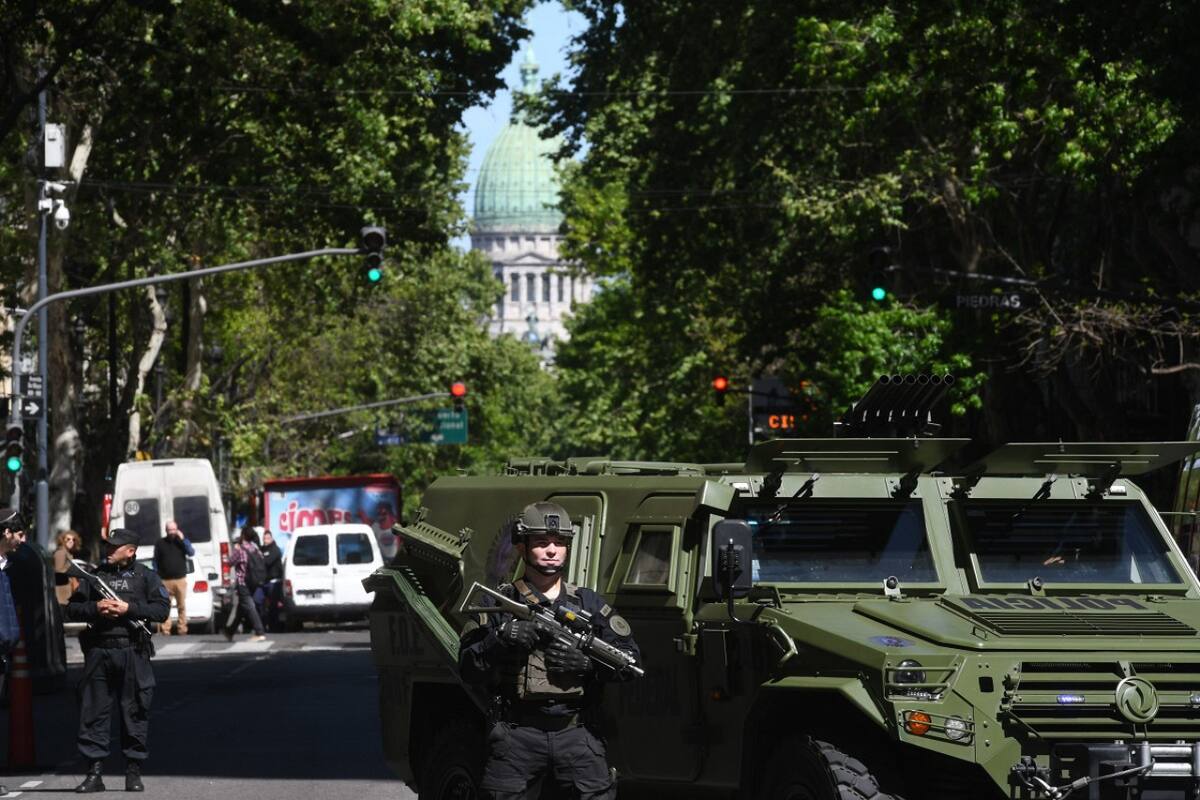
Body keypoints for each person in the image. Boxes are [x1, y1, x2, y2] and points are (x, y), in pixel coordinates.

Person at [459, 502, 642, 800]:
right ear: (522, 547)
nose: (552, 550)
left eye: (559, 543)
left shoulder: (589, 605)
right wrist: (503, 638)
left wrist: (588, 665)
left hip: (577, 734)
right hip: (516, 737)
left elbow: (630, 662)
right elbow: (468, 667)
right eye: (542, 543)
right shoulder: (499, 602)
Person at [66, 527, 169, 793]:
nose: (108, 551)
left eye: (114, 547)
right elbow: (72, 609)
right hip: (99, 651)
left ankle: (133, 772)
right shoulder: (94, 577)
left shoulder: (146, 577)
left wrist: (129, 609)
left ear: (131, 551)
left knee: (134, 711)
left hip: (132, 650)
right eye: (107, 546)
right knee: (93, 712)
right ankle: (94, 773)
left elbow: (161, 610)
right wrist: (96, 608)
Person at [224, 526, 266, 642]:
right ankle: (230, 631)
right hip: (254, 582)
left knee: (249, 607)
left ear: (243, 536)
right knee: (242, 608)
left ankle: (259, 632)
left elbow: (229, 562)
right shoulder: (255, 548)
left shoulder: (241, 549)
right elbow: (262, 560)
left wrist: (235, 549)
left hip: (243, 583)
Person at [153, 520, 194, 635]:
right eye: (169, 530)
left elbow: (191, 552)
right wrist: (156, 576)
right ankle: (166, 630)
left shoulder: (181, 542)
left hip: (180, 579)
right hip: (165, 580)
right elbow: (155, 561)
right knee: (166, 606)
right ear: (166, 530)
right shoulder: (160, 543)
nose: (172, 532)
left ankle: (182, 629)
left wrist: (183, 539)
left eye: (173, 530)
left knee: (181, 606)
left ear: (177, 530)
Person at [260, 530, 284, 631]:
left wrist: (260, 558)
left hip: (274, 582)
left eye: (268, 538)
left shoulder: (275, 550)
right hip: (264, 582)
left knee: (273, 606)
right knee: (258, 601)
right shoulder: (262, 549)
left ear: (272, 539)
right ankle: (263, 624)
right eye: (265, 538)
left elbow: (267, 561)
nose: (266, 540)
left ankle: (274, 626)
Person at [53, 530, 84, 606]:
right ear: (62, 540)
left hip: (66, 590)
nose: (71, 541)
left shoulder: (67, 553)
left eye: (73, 539)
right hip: (61, 591)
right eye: (68, 539)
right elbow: (58, 570)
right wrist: (74, 570)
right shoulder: (61, 552)